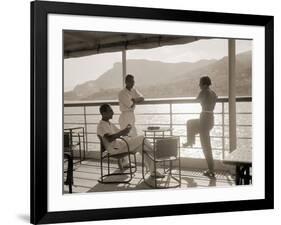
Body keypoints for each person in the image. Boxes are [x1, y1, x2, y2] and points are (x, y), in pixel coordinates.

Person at [97, 104, 164, 178]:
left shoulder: (109, 123)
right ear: (104, 113)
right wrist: (122, 132)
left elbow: (120, 133)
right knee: (142, 138)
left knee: (142, 147)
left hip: (120, 145)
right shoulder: (101, 126)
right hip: (115, 149)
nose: (113, 112)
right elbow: (109, 138)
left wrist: (127, 129)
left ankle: (153, 171)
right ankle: (156, 153)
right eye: (110, 111)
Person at [183, 76, 217, 177]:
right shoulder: (213, 93)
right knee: (190, 123)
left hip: (204, 119)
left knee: (206, 146)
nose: (199, 85)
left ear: (205, 84)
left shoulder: (204, 91)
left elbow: (197, 100)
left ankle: (211, 170)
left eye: (200, 83)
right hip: (210, 118)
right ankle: (191, 141)